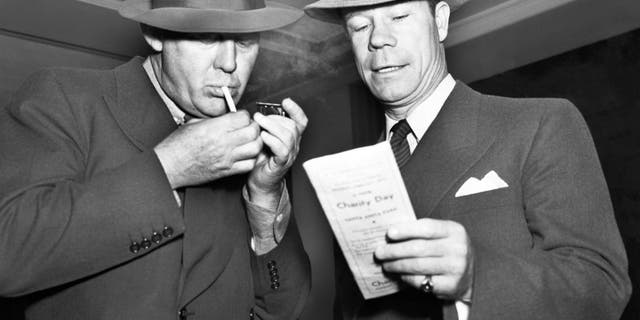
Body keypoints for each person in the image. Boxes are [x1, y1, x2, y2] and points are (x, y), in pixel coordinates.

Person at [304, 0, 631, 319]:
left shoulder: (539, 123)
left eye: (400, 16)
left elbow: (602, 288)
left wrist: (476, 277)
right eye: (360, 26)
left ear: (440, 21)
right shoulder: (350, 182)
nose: (377, 38)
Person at [0, 0, 310, 319]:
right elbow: (7, 255)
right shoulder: (66, 99)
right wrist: (169, 168)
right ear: (155, 34)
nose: (230, 64)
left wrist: (264, 197)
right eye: (206, 37)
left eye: (244, 41)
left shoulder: (253, 144)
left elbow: (282, 311)